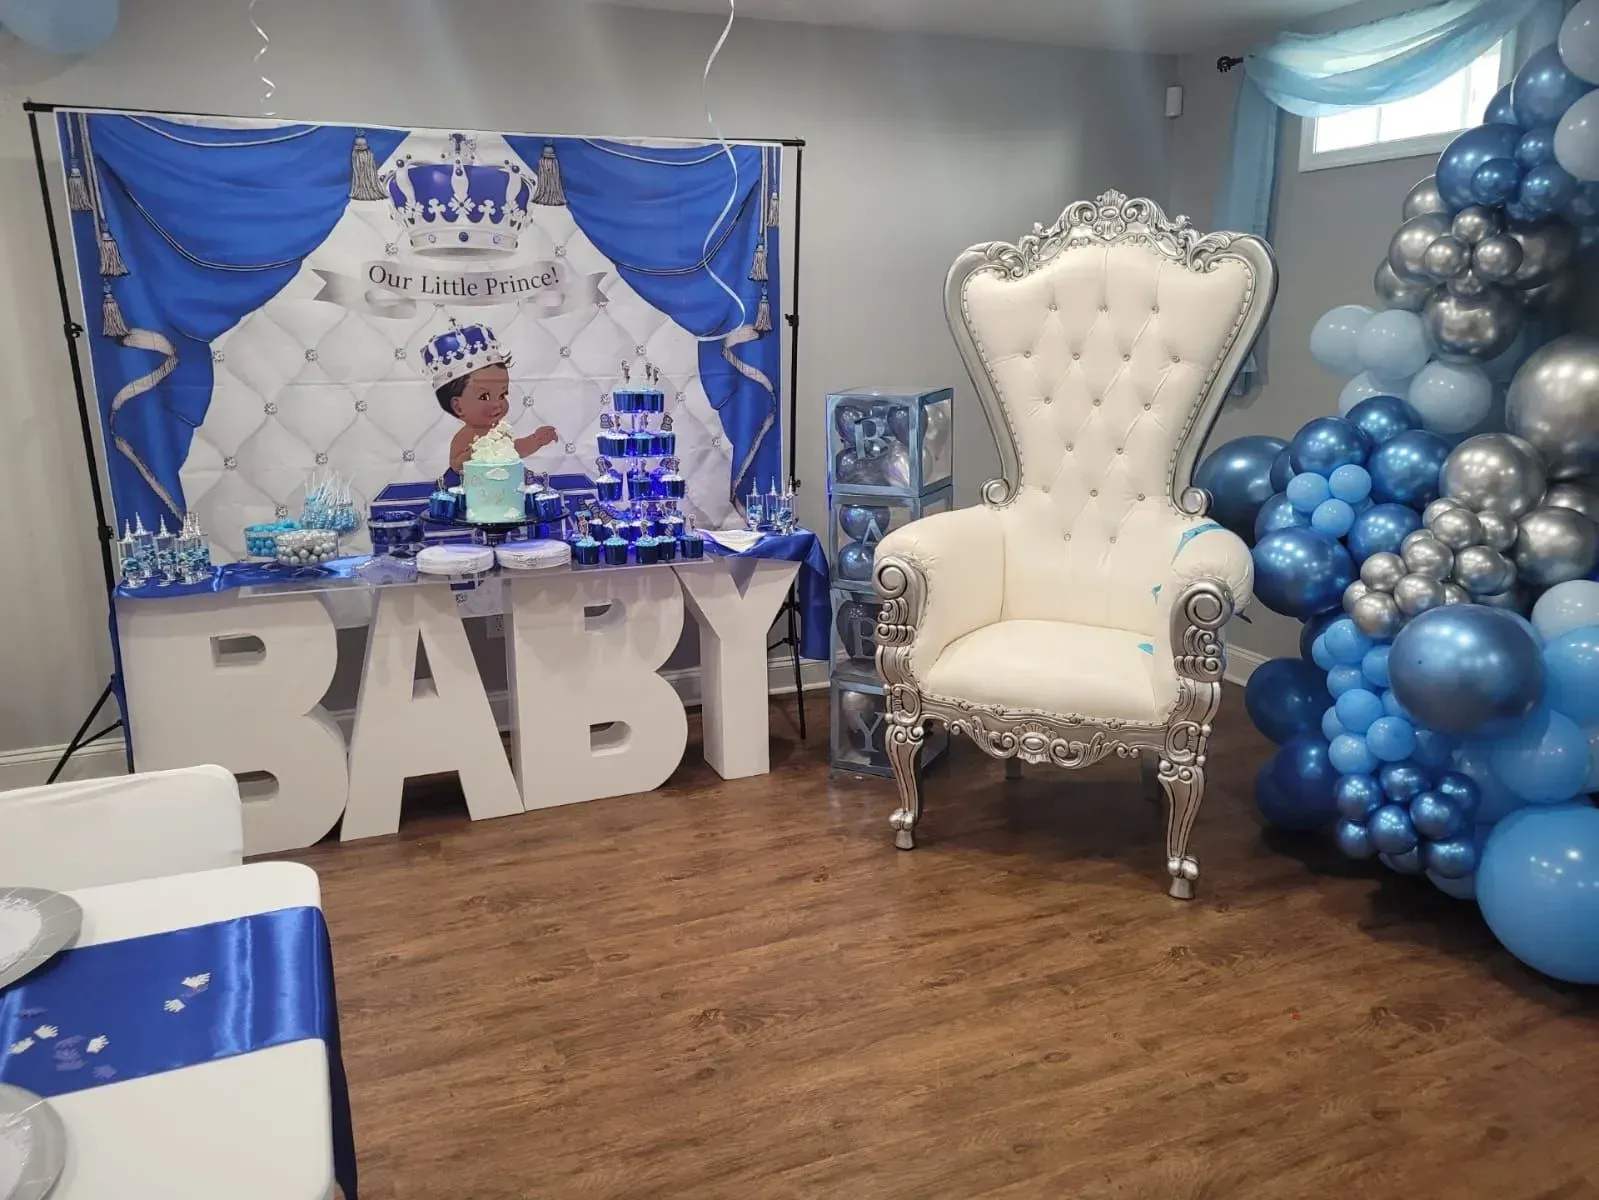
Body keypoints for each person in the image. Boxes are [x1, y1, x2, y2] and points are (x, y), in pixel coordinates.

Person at [438, 359, 557, 474]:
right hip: (470, 485)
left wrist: (536, 440)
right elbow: (456, 465)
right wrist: (477, 452)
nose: (497, 404)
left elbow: (514, 449)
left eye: (501, 395)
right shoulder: (465, 436)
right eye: (484, 397)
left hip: (502, 484)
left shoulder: (499, 432)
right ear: (458, 406)